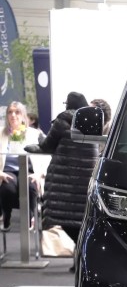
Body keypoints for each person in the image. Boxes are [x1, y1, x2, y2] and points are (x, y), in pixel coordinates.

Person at [25, 91, 98, 266]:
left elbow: (47, 145)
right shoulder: (93, 121)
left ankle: (83, 257)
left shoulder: (63, 120)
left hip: (65, 178)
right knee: (80, 220)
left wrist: (33, 145)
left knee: (65, 220)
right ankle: (81, 260)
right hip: (86, 177)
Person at [0, 101, 42, 232]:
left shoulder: (34, 134)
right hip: (7, 170)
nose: (13, 115)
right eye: (10, 112)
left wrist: (39, 173)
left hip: (29, 169)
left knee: (30, 186)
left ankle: (30, 218)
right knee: (7, 187)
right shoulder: (1, 132)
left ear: (23, 115)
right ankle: (6, 217)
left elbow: (45, 157)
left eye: (17, 112)